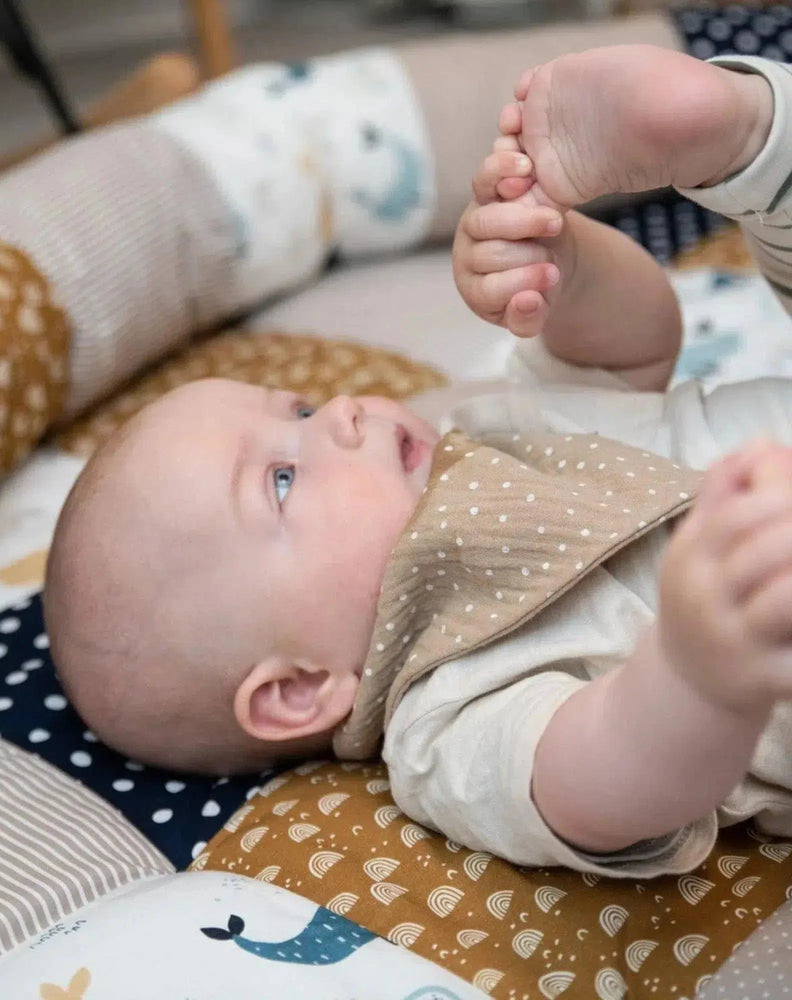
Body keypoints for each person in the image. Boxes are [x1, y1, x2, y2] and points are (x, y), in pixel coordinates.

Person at [44, 42, 792, 879]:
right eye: (282, 480)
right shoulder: (448, 713)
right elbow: (606, 790)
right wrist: (692, 672)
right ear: (298, 689)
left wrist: (560, 267)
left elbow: (637, 345)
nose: (341, 412)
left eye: (300, 409)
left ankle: (738, 136)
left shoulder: (475, 431)